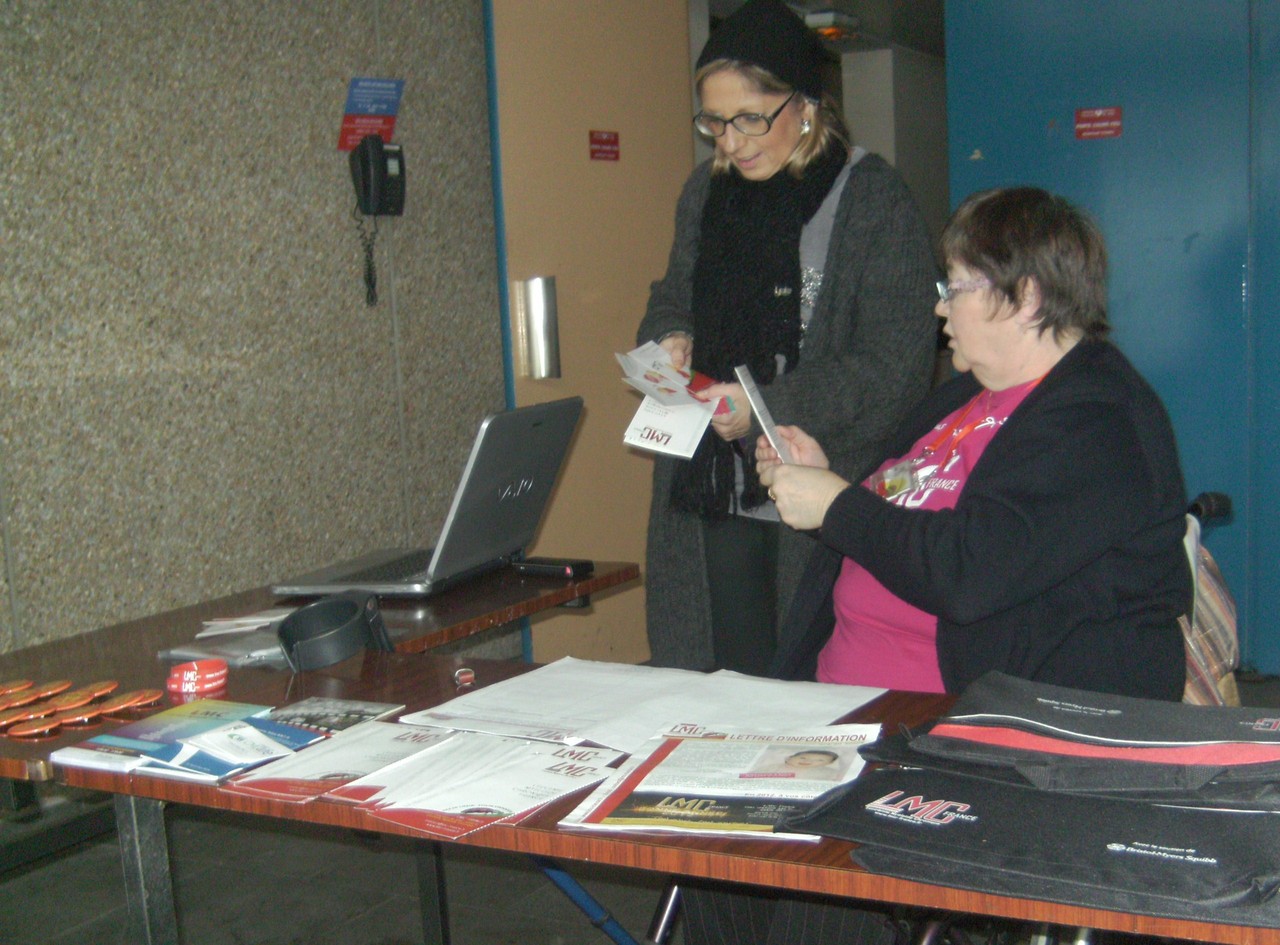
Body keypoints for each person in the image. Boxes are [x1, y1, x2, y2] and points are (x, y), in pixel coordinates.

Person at [680, 186, 1193, 945]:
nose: (940, 309)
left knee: (822, 903)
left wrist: (838, 508)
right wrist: (837, 483)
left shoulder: (1098, 418)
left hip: (977, 732)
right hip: (855, 711)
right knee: (706, 856)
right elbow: (904, 517)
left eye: (954, 287)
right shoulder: (967, 396)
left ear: (1025, 298)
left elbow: (969, 571)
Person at [638, 0, 938, 676]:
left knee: (810, 684)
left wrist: (767, 406)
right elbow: (672, 292)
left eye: (749, 119)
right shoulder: (705, 194)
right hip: (711, 483)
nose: (731, 143)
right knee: (722, 678)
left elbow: (894, 365)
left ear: (805, 104)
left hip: (823, 481)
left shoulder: (872, 202)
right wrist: (670, 335)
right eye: (713, 121)